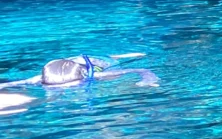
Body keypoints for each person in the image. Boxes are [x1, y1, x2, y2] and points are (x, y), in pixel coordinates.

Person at [0, 54, 158, 89]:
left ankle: (118, 55)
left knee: (114, 64)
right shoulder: (42, 78)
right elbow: (15, 83)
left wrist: (148, 80)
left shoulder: (97, 75)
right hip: (70, 62)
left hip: (98, 61)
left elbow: (141, 69)